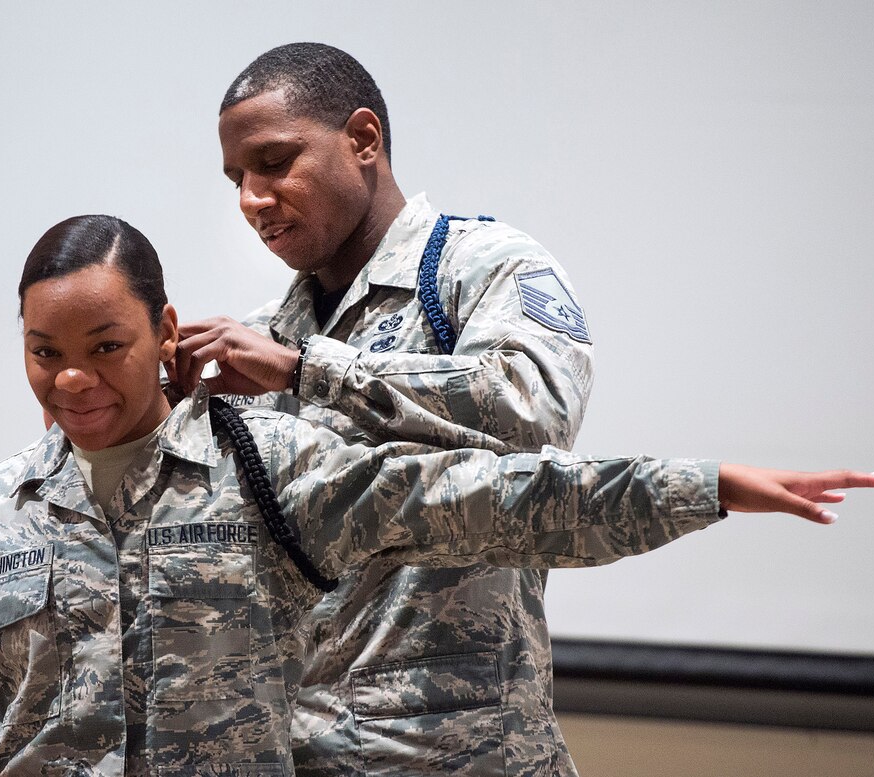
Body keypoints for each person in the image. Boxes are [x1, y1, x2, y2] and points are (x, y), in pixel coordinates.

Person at [0, 214, 874, 777]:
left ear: (165, 329)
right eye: (44, 355)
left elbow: (493, 502)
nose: (73, 383)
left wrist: (703, 486)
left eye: (105, 349)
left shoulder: (266, 469)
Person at [169, 41, 593, 776]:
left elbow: (536, 408)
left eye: (274, 162)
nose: (250, 199)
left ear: (363, 139)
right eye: (237, 178)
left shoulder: (479, 266)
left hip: (463, 757)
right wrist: (163, 433)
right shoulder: (265, 336)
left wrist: (309, 371)